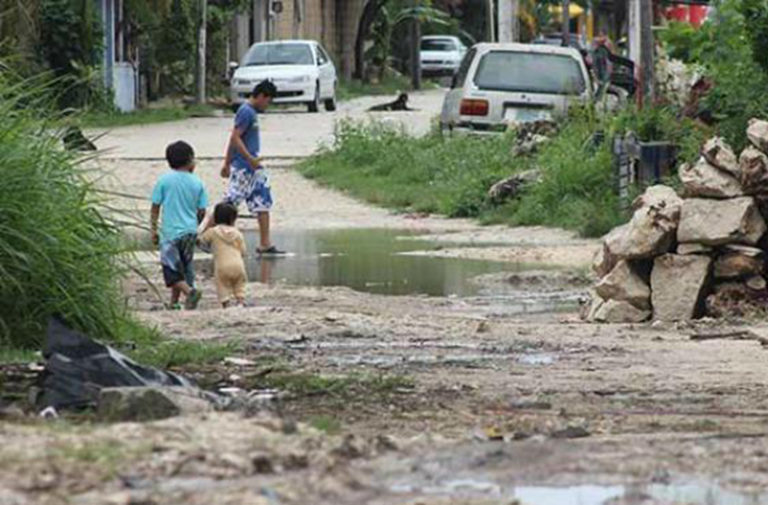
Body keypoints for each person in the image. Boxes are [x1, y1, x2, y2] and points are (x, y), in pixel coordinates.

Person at [219, 79, 283, 255]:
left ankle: (265, 244)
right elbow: (235, 137)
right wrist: (236, 161)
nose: (267, 106)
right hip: (244, 167)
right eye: (267, 101)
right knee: (229, 203)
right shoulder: (246, 112)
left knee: (263, 201)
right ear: (261, 96)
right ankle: (204, 235)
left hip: (254, 168)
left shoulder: (251, 113)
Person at [150, 141, 208, 310]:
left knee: (171, 269)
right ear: (190, 160)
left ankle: (190, 292)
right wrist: (196, 227)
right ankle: (175, 303)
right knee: (184, 267)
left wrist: (153, 229)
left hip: (170, 233)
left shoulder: (164, 181)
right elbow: (202, 210)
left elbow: (155, 207)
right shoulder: (197, 183)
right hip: (190, 231)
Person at [200, 203, 248, 308]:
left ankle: (226, 304)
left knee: (222, 285)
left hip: (222, 266)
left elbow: (201, 240)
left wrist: (207, 225)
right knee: (239, 284)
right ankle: (240, 301)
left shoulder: (212, 232)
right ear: (233, 219)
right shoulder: (238, 233)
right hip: (238, 265)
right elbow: (243, 251)